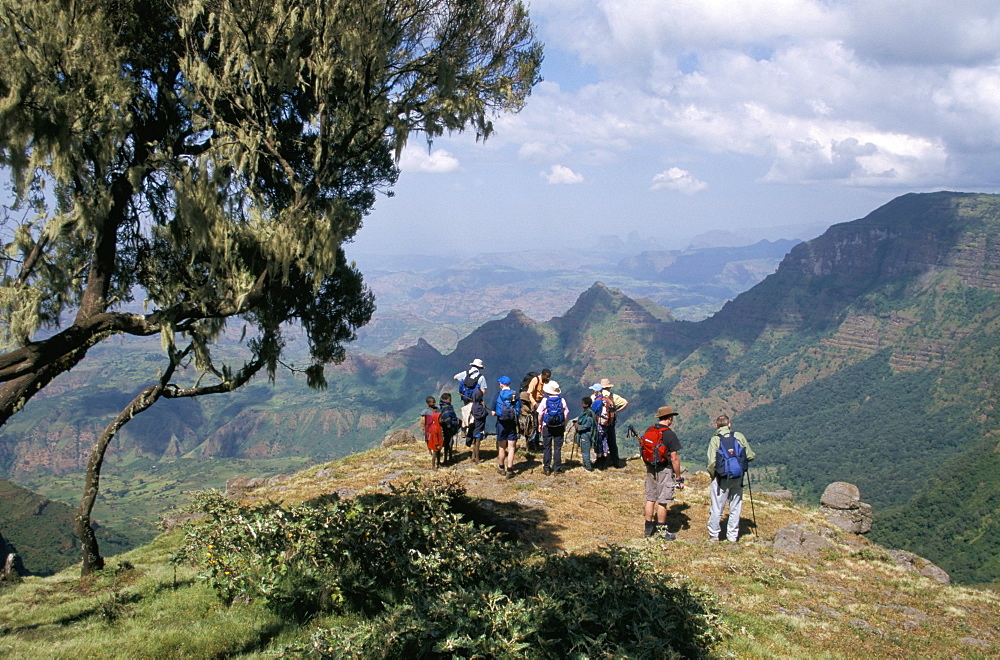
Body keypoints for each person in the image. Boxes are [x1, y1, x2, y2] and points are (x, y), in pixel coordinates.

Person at [706, 414, 756, 543]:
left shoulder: (715, 440)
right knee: (735, 507)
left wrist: (713, 476)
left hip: (721, 479)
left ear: (716, 426)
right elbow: (750, 456)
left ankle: (714, 536)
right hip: (737, 478)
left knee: (717, 507)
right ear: (729, 424)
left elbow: (711, 462)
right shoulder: (739, 436)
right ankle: (732, 537)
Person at [642, 406, 683, 540]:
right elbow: (674, 458)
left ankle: (648, 529)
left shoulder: (650, 430)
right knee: (663, 500)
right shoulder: (669, 434)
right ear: (670, 418)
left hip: (650, 468)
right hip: (664, 469)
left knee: (650, 498)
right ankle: (661, 531)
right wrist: (678, 477)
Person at [536, 381, 569, 475]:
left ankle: (546, 468)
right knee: (557, 448)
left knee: (547, 447)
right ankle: (557, 469)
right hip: (559, 426)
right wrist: (564, 424)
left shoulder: (545, 400)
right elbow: (566, 413)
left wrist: (540, 425)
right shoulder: (562, 400)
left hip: (547, 426)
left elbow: (540, 413)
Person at [595, 378, 628, 468]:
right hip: (610, 422)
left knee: (600, 441)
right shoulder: (613, 396)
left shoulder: (596, 396)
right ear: (609, 387)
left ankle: (600, 461)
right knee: (612, 442)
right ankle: (615, 460)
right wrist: (616, 410)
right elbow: (625, 402)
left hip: (600, 423)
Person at [454, 359, 487, 448]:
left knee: (466, 413)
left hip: (465, 398)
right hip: (475, 400)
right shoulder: (481, 377)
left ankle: (464, 428)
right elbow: (483, 390)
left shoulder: (466, 373)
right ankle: (477, 432)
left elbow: (455, 377)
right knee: (476, 416)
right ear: (480, 367)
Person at [493, 376, 520, 478]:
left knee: (501, 447)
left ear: (501, 384)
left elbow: (493, 412)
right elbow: (518, 410)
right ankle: (510, 470)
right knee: (512, 447)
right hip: (512, 423)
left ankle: (501, 468)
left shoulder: (497, 396)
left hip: (501, 423)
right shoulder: (515, 395)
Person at [525, 369, 550, 450]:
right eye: (546, 376)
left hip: (542, 402)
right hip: (535, 402)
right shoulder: (535, 380)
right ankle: (532, 441)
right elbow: (529, 393)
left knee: (542, 421)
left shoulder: (546, 382)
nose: (547, 378)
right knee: (535, 422)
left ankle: (538, 441)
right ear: (542, 375)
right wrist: (534, 404)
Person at [421, 396, 444, 471]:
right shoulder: (425, 411)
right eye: (432, 402)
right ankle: (430, 451)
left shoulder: (437, 410)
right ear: (428, 403)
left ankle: (437, 462)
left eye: (434, 401)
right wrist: (424, 428)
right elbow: (423, 421)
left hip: (436, 426)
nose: (434, 403)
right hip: (429, 427)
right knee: (429, 439)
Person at [588, 383, 608, 467]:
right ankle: (605, 460)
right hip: (606, 423)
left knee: (598, 441)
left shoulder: (598, 401)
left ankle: (599, 462)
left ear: (596, 391)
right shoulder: (605, 399)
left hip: (599, 423)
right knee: (604, 440)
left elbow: (592, 412)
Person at [576, 396, 597, 471]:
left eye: (583, 403)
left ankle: (588, 467)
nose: (582, 404)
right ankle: (586, 464)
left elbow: (587, 425)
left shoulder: (588, 414)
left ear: (587, 404)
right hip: (586, 434)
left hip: (586, 435)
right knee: (585, 450)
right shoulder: (589, 412)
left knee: (585, 451)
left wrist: (578, 427)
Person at [438, 392, 460, 464]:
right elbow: (448, 420)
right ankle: (446, 459)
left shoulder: (445, 406)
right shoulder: (446, 408)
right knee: (448, 443)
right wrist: (456, 423)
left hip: (448, 428)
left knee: (449, 442)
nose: (450, 401)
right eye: (449, 399)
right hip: (448, 428)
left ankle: (448, 458)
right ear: (445, 399)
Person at [468, 388, 488, 464]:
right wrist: (484, 408)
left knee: (475, 442)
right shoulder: (478, 406)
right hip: (479, 427)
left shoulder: (474, 405)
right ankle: (477, 459)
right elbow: (481, 415)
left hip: (475, 426)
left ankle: (473, 457)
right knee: (477, 443)